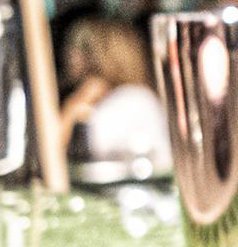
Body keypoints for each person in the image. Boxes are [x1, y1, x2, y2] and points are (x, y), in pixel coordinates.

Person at [56, 16, 168, 176]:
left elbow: (54, 149)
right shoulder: (101, 99)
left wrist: (71, 108)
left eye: (82, 47)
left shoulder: (132, 100)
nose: (69, 53)